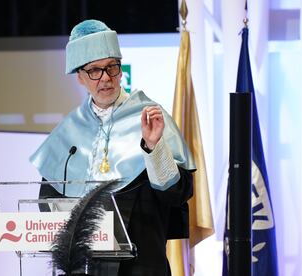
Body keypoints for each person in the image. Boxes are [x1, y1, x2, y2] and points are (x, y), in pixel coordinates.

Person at [30, 19, 195, 276]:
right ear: (80, 77)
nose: (105, 78)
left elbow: (177, 195)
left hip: (141, 266)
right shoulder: (68, 132)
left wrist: (153, 148)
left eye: (111, 67)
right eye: (94, 70)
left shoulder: (149, 116)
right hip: (84, 268)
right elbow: (47, 204)